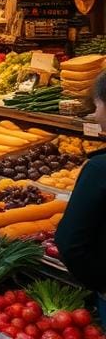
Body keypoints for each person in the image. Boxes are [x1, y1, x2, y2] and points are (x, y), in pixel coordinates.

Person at [57, 71, 106, 318]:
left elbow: (70, 243)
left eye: (97, 106)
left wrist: (99, 285)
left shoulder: (99, 169)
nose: (96, 115)